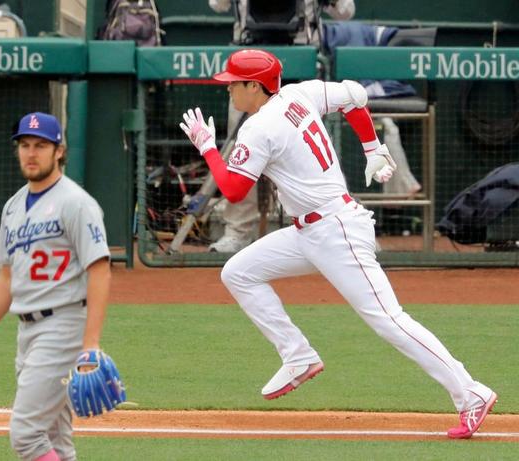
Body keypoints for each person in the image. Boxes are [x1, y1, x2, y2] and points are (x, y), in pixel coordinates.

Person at [179, 49, 497, 439]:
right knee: (239, 272)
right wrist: (370, 146)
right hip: (309, 231)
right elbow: (354, 97)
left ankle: (471, 393)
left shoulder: (258, 128)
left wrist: (207, 147)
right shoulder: (299, 94)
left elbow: (232, 189)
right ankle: (297, 355)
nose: (228, 89)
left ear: (254, 86)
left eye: (234, 83)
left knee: (390, 320)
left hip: (336, 231)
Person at [0, 112, 112, 460]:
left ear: (59, 151)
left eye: (40, 145)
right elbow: (6, 279)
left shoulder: (76, 203)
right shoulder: (13, 207)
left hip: (63, 327)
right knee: (56, 438)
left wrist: (91, 343)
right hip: (27, 331)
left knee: (25, 434)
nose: (31, 152)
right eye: (25, 145)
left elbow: (100, 271)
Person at [208, 0, 356, 252]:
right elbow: (217, 5)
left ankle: (340, 225)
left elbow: (346, 11)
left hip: (302, 56)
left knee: (312, 144)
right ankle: (238, 231)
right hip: (249, 58)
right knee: (240, 146)